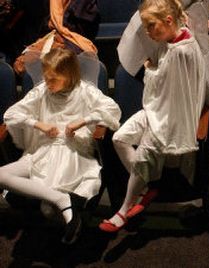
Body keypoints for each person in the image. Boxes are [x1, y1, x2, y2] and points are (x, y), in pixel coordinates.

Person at [99, 0, 206, 232]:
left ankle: (124, 210)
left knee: (143, 156)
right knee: (120, 138)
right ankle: (146, 187)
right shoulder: (173, 38)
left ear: (169, 21)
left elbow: (163, 85)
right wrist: (153, 69)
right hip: (156, 109)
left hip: (169, 118)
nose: (148, 32)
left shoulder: (181, 50)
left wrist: (149, 69)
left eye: (151, 26)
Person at [0, 47, 121, 244]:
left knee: (48, 210)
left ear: (68, 74)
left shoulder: (85, 91)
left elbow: (111, 110)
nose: (48, 83)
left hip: (72, 152)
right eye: (46, 77)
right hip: (42, 151)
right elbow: (11, 114)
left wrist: (82, 121)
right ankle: (61, 200)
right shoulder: (43, 91)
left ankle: (68, 217)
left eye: (53, 79)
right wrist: (38, 124)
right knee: (1, 176)